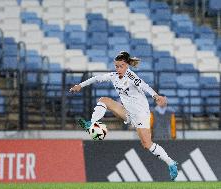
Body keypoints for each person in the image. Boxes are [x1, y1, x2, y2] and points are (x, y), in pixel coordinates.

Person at [69, 51, 178, 181]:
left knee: (147, 144)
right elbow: (97, 78)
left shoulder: (132, 77)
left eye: (121, 66)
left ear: (127, 65)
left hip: (140, 115)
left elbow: (145, 86)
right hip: (127, 112)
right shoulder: (114, 76)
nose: (118, 69)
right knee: (104, 100)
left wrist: (156, 96)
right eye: (116, 66)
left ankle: (171, 163)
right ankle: (92, 124)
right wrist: (80, 85)